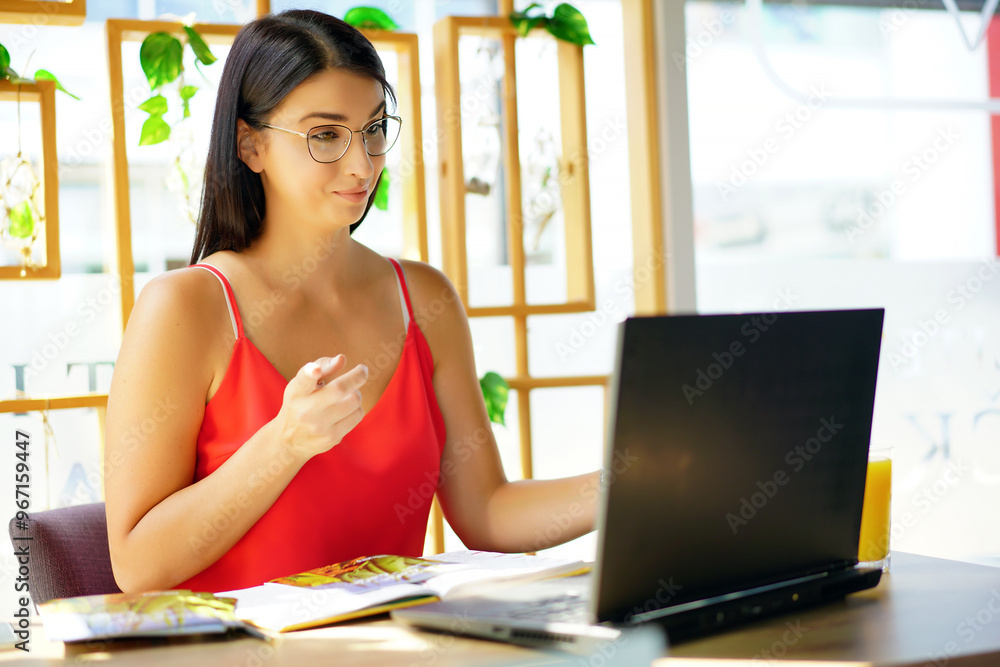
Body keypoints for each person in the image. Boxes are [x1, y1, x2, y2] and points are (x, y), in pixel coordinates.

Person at [104, 9, 600, 594]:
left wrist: (629, 480)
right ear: (250, 144)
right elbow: (136, 565)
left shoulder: (424, 298)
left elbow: (487, 512)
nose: (362, 164)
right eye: (325, 135)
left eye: (372, 129)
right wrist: (283, 443)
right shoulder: (185, 307)